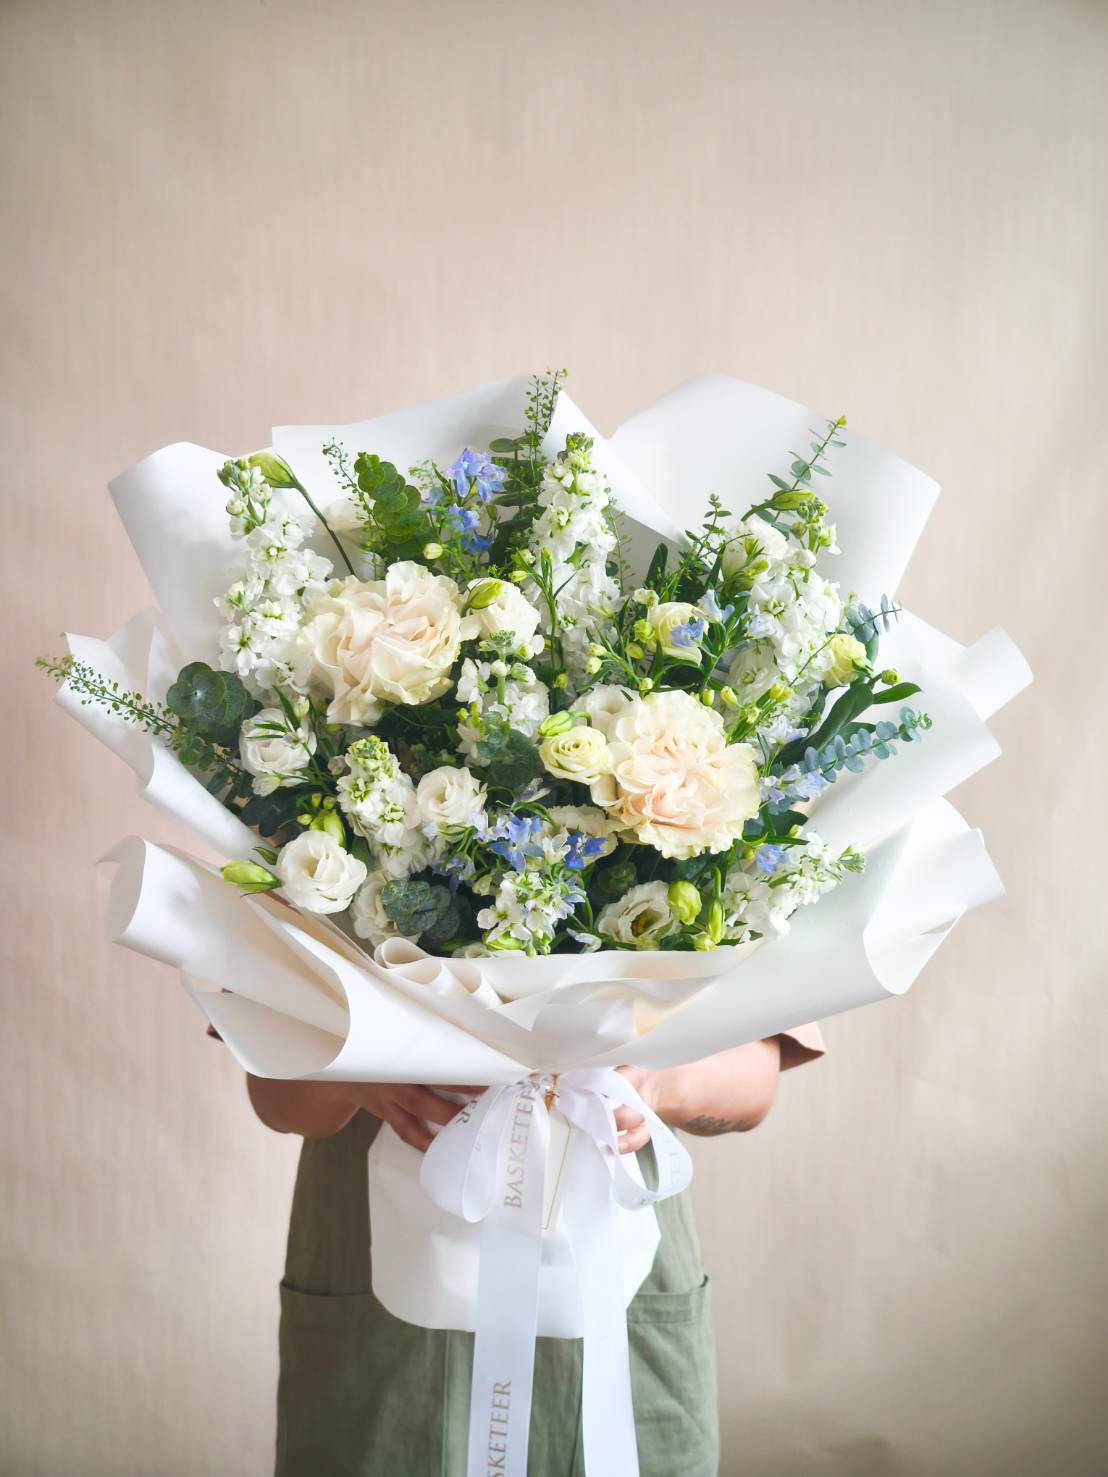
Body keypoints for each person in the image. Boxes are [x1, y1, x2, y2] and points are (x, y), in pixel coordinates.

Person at [246, 1025, 824, 1476]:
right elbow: (270, 1090)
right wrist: (356, 1077)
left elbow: (757, 1075)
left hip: (621, 1270)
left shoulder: (727, 869)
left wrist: (650, 1087)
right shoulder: (305, 868)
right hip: (370, 1264)